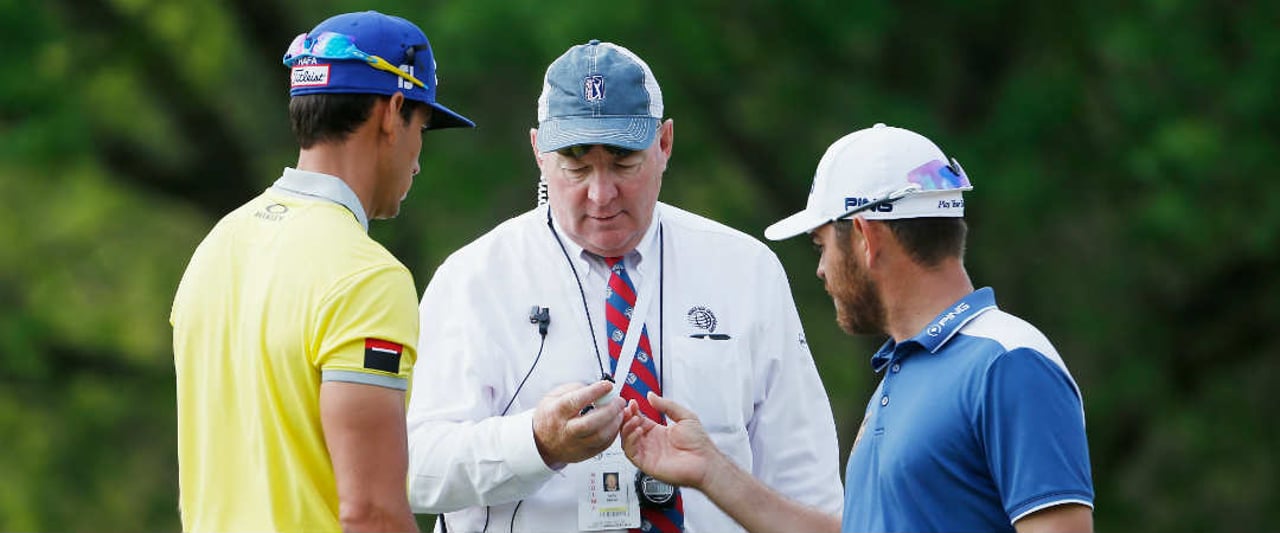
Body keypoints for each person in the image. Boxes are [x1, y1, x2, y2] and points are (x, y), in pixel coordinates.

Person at [405, 40, 843, 533]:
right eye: (575, 164)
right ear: (538, 153)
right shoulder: (475, 277)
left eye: (623, 162)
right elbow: (417, 470)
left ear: (665, 144)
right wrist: (536, 442)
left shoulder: (745, 269)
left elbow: (807, 480)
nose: (600, 192)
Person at [620, 123, 1096, 533]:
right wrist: (711, 471)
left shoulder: (1008, 362)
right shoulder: (908, 368)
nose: (821, 268)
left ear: (866, 237)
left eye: (821, 244)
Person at [170, 11, 473, 532]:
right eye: (421, 127)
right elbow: (371, 511)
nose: (419, 158)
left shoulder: (217, 245)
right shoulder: (369, 278)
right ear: (392, 111)